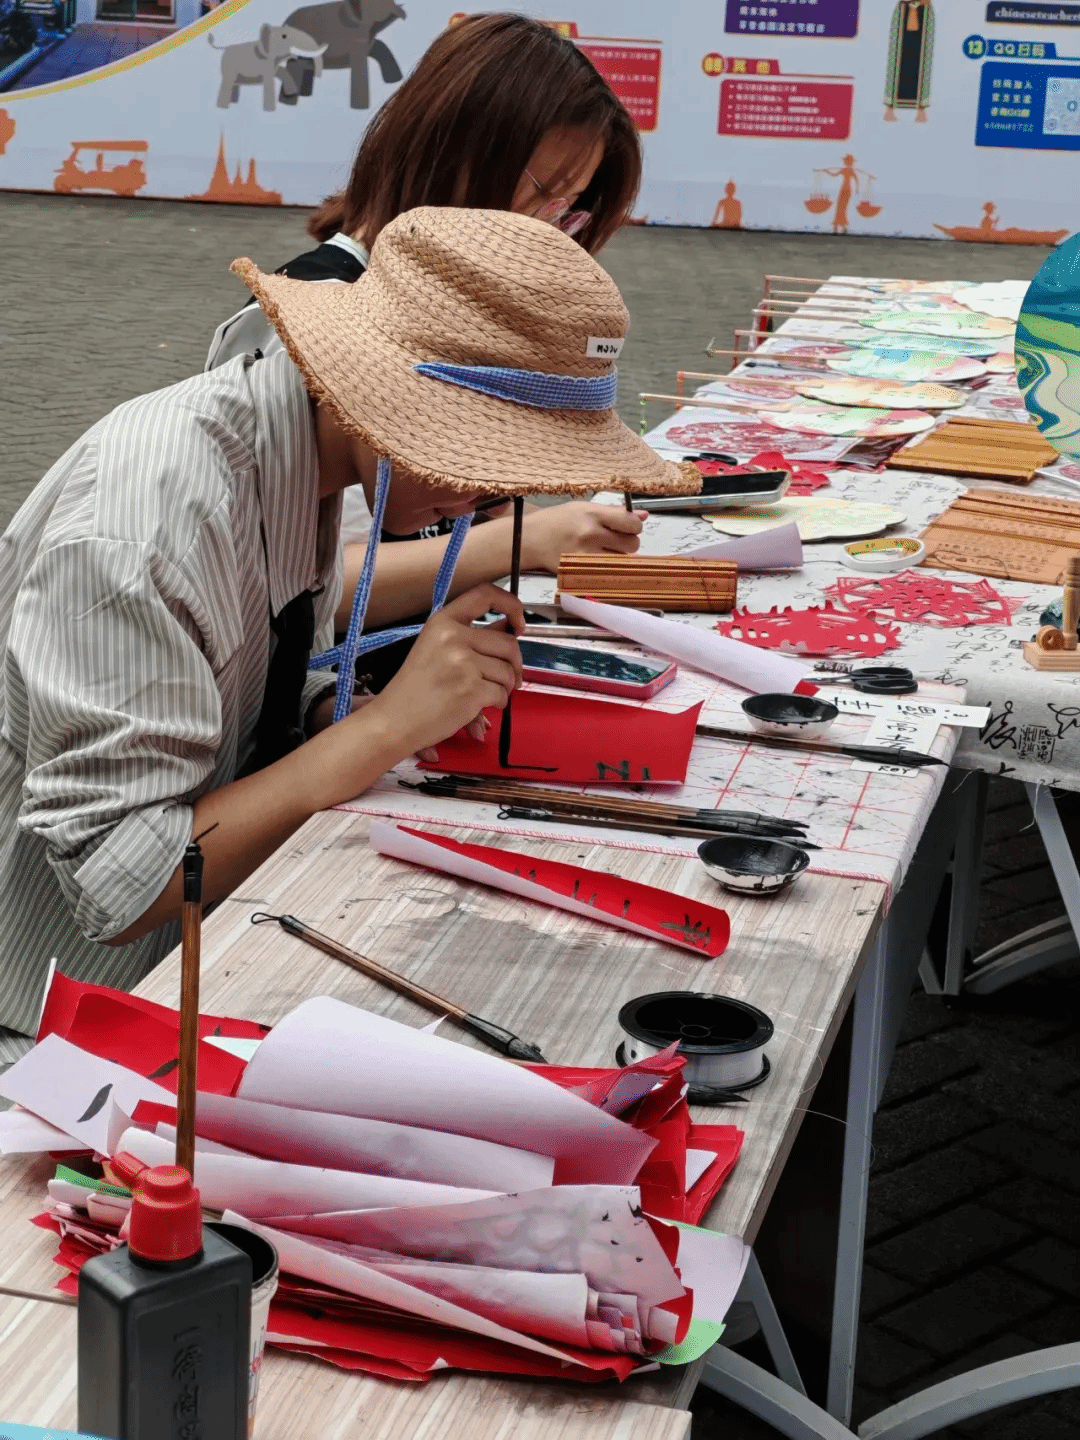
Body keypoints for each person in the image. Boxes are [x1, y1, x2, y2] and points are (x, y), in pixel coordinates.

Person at [0, 207, 697, 1057]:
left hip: (188, 957)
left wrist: (336, 706)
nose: (486, 501)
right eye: (480, 459)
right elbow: (123, 885)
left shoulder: (298, 447)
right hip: (50, 1020)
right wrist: (381, 731)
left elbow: (247, 663)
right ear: (380, 390)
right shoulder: (149, 524)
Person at [206, 12, 648, 658]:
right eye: (546, 194)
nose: (549, 231)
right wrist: (524, 541)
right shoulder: (312, 323)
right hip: (346, 689)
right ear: (456, 151)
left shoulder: (460, 313)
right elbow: (279, 586)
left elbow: (462, 508)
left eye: (569, 211)